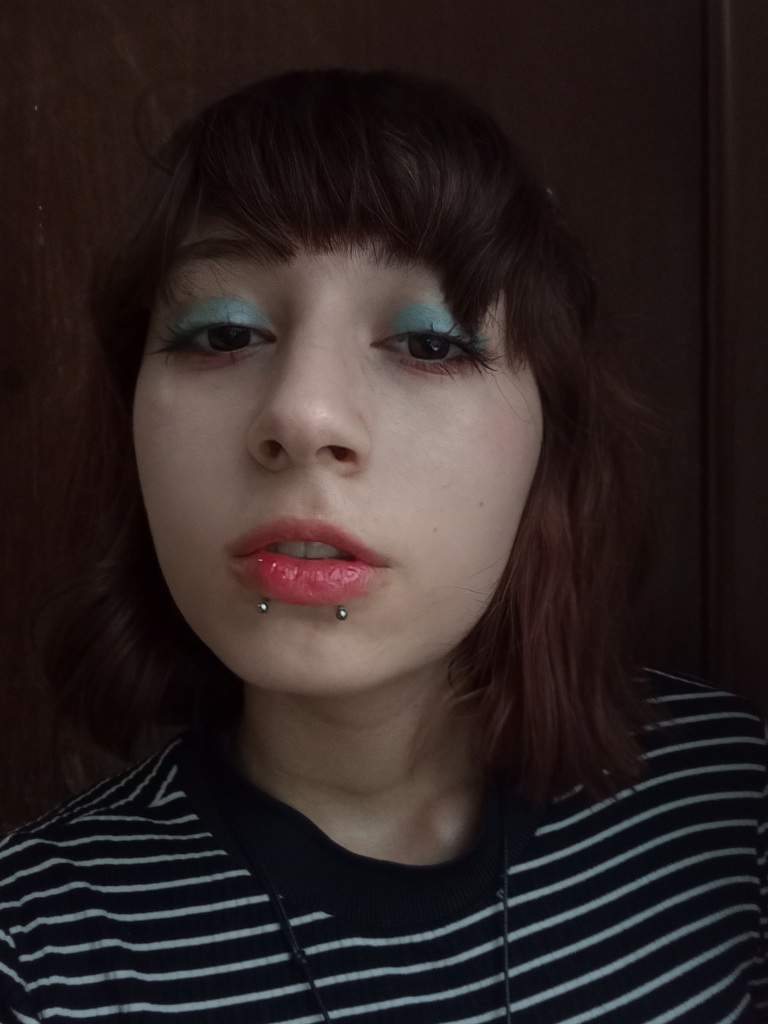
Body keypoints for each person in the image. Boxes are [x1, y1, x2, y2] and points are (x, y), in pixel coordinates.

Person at [1, 67, 765, 1024]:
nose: (303, 414)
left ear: (551, 445)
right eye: (224, 331)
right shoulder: (33, 951)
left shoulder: (729, 802)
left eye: (431, 343)